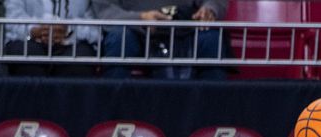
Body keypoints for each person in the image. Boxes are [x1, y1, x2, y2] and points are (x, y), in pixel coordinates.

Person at [93, 0, 226, 80]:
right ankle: (113, 118)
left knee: (211, 39)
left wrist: (210, 9)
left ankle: (213, 119)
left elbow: (214, 2)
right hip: (133, 27)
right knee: (119, 40)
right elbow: (105, 10)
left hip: (184, 25)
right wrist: (140, 18)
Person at [4, 0, 100, 75]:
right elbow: (11, 21)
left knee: (79, 60)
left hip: (71, 43)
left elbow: (95, 31)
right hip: (27, 40)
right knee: (28, 56)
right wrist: (34, 30)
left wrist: (70, 30)